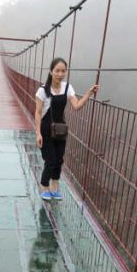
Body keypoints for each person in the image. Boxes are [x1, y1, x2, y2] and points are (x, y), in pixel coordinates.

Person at [34, 57, 98, 201]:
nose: (60, 74)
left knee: (59, 159)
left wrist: (88, 94)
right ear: (51, 71)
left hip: (60, 129)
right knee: (50, 160)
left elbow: (76, 106)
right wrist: (38, 133)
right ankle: (44, 186)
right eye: (57, 71)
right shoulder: (42, 90)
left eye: (63, 71)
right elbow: (38, 112)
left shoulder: (67, 87)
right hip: (45, 129)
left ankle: (55, 187)